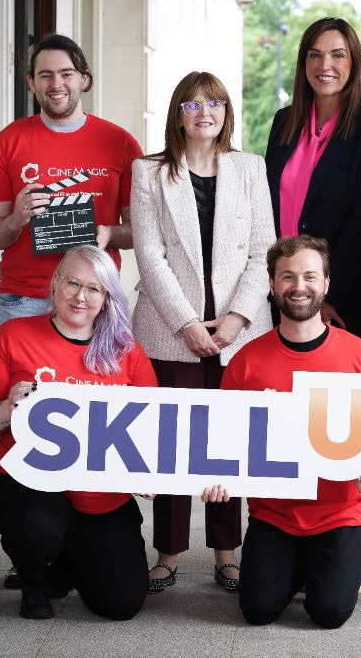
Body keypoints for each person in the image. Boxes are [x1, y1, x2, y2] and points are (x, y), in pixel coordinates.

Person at [130, 71, 275, 594]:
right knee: (172, 443)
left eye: (214, 102)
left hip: (239, 328)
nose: (204, 112)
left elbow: (264, 251)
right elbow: (149, 255)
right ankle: (167, 553)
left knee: (228, 443)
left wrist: (236, 318)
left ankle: (227, 553)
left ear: (226, 112)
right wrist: (186, 323)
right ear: (179, 113)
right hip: (172, 329)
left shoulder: (250, 169)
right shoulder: (148, 173)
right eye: (192, 103)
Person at [0, 245, 157, 621]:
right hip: (24, 480)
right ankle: (34, 580)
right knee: (40, 526)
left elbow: (150, 425)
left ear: (106, 298)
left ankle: (64, 569)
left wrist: (148, 470)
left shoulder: (126, 351)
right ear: (54, 284)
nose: (80, 296)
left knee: (120, 604)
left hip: (99, 490)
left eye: (94, 289)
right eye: (72, 282)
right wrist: (8, 407)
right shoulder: (13, 336)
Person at [216, 235, 361, 629]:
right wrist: (219, 475)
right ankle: (303, 569)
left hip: (341, 511)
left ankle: (335, 575)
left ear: (326, 283)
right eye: (287, 276)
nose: (299, 287)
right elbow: (227, 438)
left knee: (328, 613)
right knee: (257, 611)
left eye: (310, 276)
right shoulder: (246, 362)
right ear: (272, 285)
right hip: (274, 513)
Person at [0, 33, 142, 327]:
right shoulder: (6, 143)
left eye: (66, 74)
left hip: (94, 295)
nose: (56, 85)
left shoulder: (121, 144)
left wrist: (108, 232)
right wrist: (17, 218)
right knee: (23, 376)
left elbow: (138, 231)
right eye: (46, 75)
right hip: (24, 298)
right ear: (31, 82)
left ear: (84, 79)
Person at [264, 17, 361, 341]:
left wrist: (323, 292)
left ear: (354, 62)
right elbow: (267, 203)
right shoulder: (285, 121)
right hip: (280, 291)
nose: (325, 64)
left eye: (337, 55)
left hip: (341, 295)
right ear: (303, 62)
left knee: (331, 388)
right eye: (315, 54)